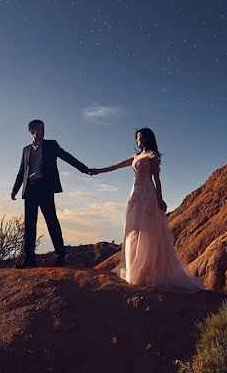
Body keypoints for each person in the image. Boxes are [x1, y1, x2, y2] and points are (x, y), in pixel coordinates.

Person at [89, 128, 203, 291]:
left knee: (147, 230)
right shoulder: (136, 156)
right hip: (135, 193)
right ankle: (135, 270)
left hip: (147, 194)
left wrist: (159, 198)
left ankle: (148, 272)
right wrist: (98, 171)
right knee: (133, 230)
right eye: (136, 138)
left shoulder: (152, 156)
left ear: (147, 139)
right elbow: (116, 166)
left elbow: (157, 179)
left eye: (140, 137)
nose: (138, 140)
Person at [12, 119, 90, 268]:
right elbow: (22, 170)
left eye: (44, 129)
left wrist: (84, 169)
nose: (43, 132)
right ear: (32, 131)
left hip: (45, 187)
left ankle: (60, 255)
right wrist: (15, 189)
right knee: (29, 224)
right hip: (30, 189)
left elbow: (67, 157)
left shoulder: (51, 145)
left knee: (51, 220)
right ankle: (29, 259)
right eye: (40, 129)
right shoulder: (26, 149)